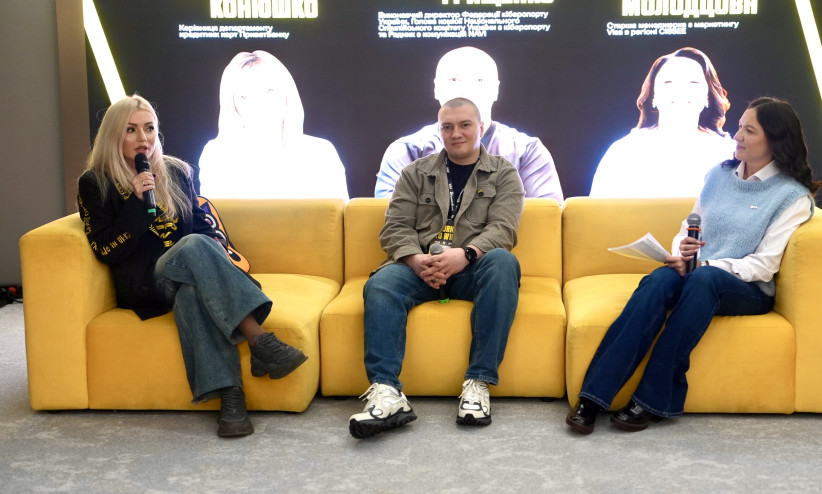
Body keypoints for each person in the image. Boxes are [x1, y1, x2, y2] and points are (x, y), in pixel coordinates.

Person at [567, 97, 822, 434]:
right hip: (699, 273)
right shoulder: (718, 175)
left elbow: (764, 265)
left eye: (750, 131)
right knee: (660, 280)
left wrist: (705, 266)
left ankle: (650, 400)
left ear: (775, 140)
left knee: (705, 280)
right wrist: (682, 251)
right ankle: (592, 398)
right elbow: (689, 227)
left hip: (745, 288)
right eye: (739, 127)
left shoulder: (792, 196)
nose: (737, 136)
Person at [77, 94, 309, 438]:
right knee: (193, 246)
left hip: (188, 278)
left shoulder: (175, 171)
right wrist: (138, 204)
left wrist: (213, 250)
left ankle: (232, 401)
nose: (143, 138)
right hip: (145, 284)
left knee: (192, 287)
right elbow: (105, 249)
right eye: (131, 130)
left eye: (149, 128)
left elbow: (201, 225)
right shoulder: (94, 183)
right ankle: (259, 339)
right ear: (113, 134)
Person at [350, 97, 525, 439]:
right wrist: (415, 260)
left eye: (464, 125)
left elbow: (503, 229)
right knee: (381, 283)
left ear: (481, 128)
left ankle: (478, 383)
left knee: (504, 262)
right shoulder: (415, 172)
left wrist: (466, 254)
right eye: (448, 126)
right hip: (421, 268)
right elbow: (395, 227)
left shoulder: (504, 173)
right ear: (439, 131)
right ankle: (387, 393)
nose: (456, 133)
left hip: (472, 268)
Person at [374, 46, 563, 202]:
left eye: (479, 80)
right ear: (436, 88)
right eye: (454, 79)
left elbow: (546, 220)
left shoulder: (527, 152)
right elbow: (393, 219)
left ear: (496, 90)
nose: (466, 89)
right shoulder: (408, 151)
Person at [199, 50, 349, 200]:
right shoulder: (216, 154)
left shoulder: (321, 152)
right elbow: (213, 213)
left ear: (287, 96)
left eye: (269, 91)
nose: (259, 104)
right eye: (244, 96)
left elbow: (338, 212)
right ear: (233, 105)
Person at [590, 47, 735, 198]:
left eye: (693, 82)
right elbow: (598, 210)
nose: (680, 90)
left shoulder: (729, 153)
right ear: (653, 95)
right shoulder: (623, 152)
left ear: (707, 97)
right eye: (668, 82)